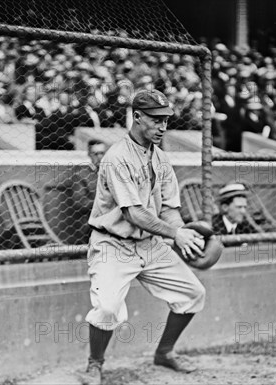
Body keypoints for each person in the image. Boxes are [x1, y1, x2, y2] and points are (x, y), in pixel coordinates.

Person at [80, 89, 206, 385]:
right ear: (137, 116)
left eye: (166, 120)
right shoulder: (116, 157)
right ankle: (94, 364)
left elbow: (171, 209)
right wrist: (175, 233)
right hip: (112, 243)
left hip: (149, 244)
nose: (163, 126)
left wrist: (183, 235)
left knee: (192, 294)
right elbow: (134, 214)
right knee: (108, 308)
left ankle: (164, 352)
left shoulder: (160, 158)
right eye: (156, 119)